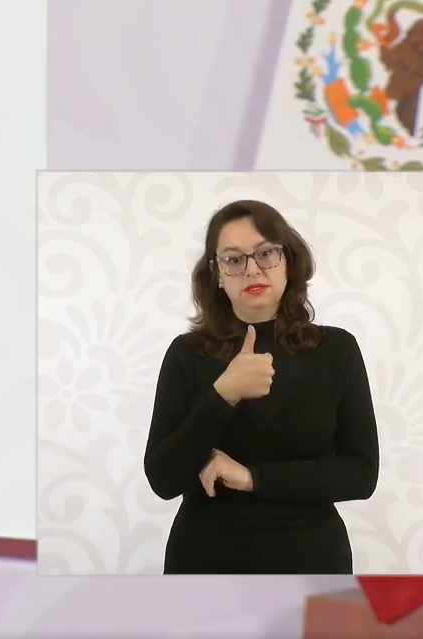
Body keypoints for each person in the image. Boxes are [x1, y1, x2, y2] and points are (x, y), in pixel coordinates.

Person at [142, 199, 379, 574]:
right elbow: (163, 478)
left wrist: (252, 478)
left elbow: (361, 475)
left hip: (312, 558)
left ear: (289, 261)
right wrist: (224, 394)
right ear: (217, 273)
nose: (252, 269)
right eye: (234, 259)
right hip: (205, 559)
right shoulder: (187, 354)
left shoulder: (336, 349)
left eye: (266, 253)